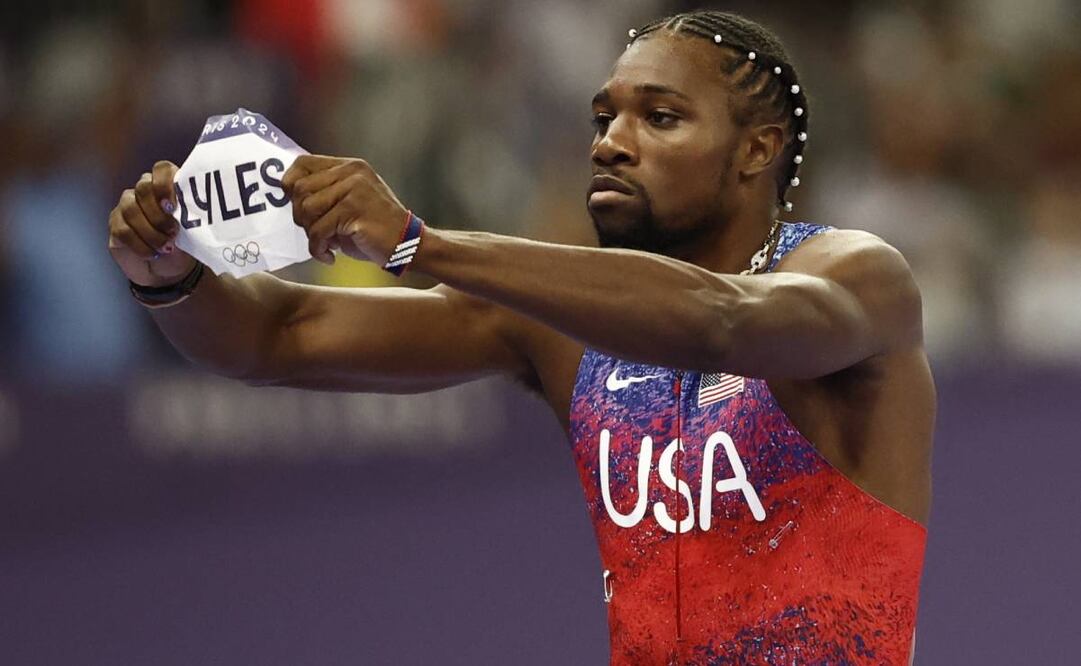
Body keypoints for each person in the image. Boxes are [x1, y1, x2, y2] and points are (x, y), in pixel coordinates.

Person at [107, 10, 932, 665]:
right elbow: (278, 334)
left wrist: (417, 243)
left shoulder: (861, 278)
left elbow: (721, 323)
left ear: (756, 149)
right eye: (603, 116)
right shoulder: (560, 320)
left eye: (661, 118)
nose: (610, 142)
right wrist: (167, 272)